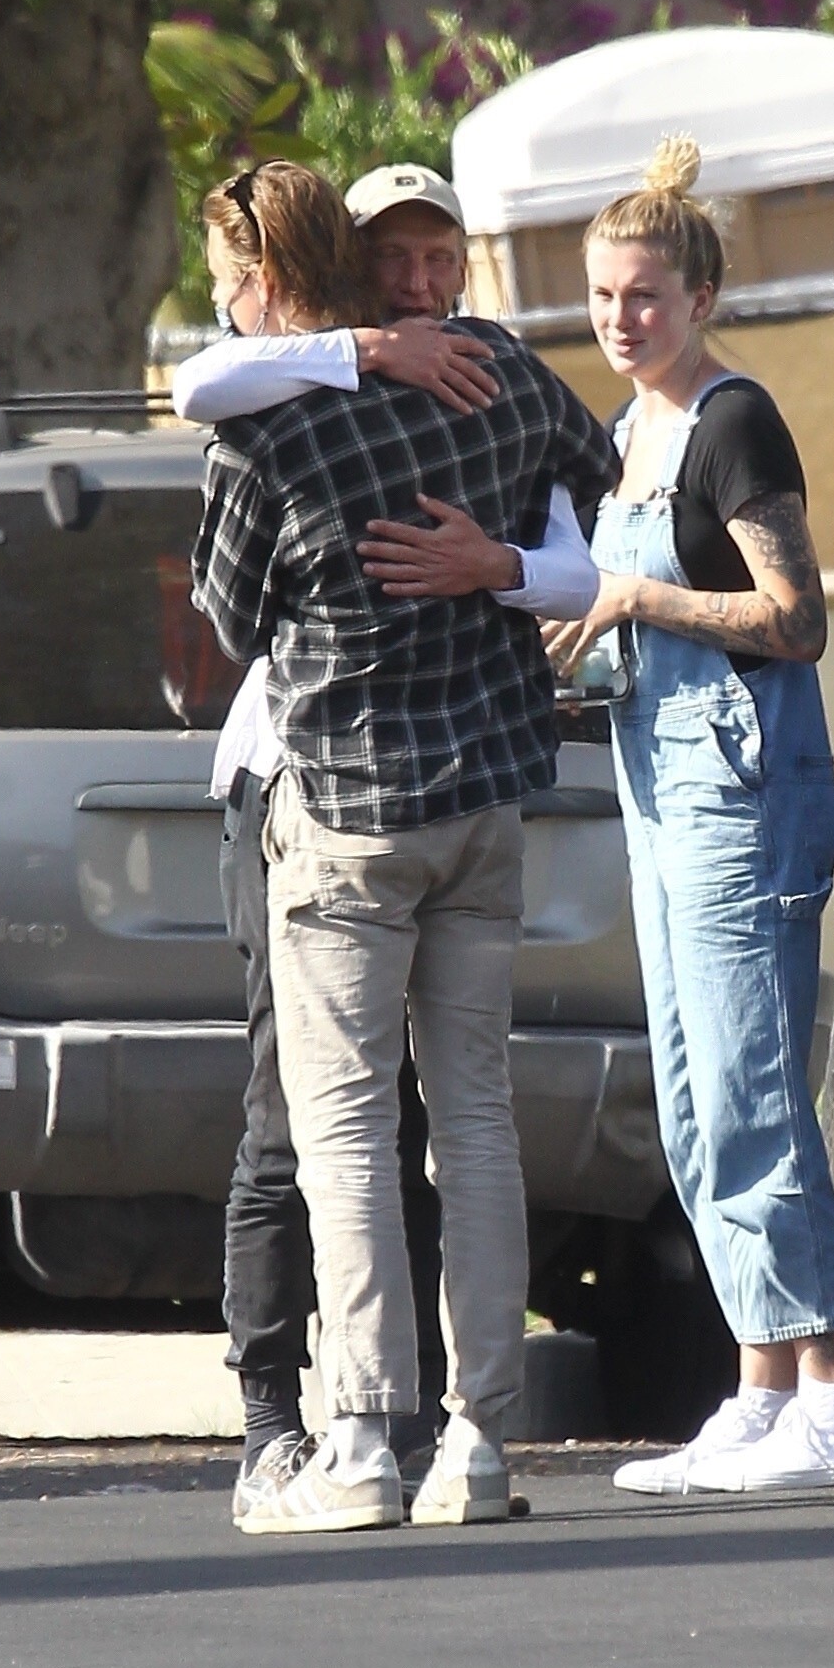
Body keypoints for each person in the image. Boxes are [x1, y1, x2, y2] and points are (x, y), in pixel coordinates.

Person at [191, 160, 619, 1535]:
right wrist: (503, 559)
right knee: (475, 1118)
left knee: (344, 1133)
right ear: (365, 264)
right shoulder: (503, 376)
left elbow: (229, 617)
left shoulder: (270, 424)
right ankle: (479, 1441)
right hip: (486, 799)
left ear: (267, 279)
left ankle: (365, 1439)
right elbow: (603, 472)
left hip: (347, 811)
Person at [543, 137, 834, 1496]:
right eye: (601, 295)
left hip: (741, 789)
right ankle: (759, 1391)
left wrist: (639, 599)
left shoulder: (733, 422)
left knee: (755, 1091)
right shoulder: (622, 433)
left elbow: (794, 621)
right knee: (690, 1105)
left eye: (644, 295)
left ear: (699, 297)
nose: (620, 318)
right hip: (653, 784)